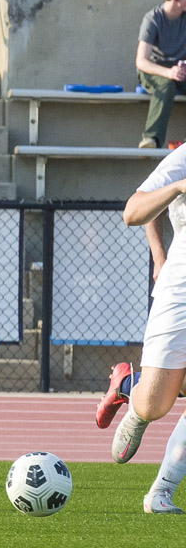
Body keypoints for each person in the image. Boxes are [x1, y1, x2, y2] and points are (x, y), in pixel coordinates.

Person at [96, 145, 186, 513]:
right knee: (153, 406)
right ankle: (129, 387)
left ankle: (160, 493)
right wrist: (179, 188)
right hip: (180, 292)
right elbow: (135, 211)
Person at [135, 0, 186, 149]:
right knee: (166, 85)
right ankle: (151, 139)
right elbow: (141, 61)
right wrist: (168, 72)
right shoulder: (153, 19)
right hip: (154, 71)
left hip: (180, 70)